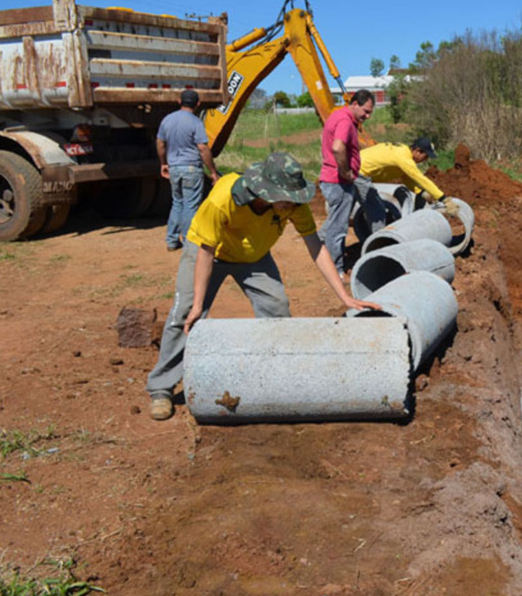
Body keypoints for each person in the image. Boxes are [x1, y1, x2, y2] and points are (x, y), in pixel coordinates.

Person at [145, 151, 379, 421]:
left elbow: (315, 246)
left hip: (254, 257)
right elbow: (206, 251)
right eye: (286, 198)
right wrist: (198, 303)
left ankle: (275, 377)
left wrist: (344, 296)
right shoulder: (224, 199)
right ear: (266, 191)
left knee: (277, 309)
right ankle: (161, 388)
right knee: (186, 313)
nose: (292, 204)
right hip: (210, 253)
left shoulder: (293, 204)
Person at [318, 90, 376, 279]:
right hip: (338, 181)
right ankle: (335, 269)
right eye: (366, 111)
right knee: (338, 228)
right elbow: (337, 147)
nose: (367, 116)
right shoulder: (345, 121)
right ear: (355, 104)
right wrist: (345, 172)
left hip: (333, 179)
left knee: (335, 222)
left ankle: (319, 248)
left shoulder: (339, 116)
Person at [156, 88, 220, 251]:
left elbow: (160, 143)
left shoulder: (167, 120)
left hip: (174, 168)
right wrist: (213, 171)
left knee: (177, 203)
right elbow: (203, 148)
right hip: (191, 168)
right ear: (198, 104)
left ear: (179, 101)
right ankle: (188, 241)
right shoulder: (196, 122)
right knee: (190, 205)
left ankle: (171, 240)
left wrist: (163, 163)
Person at [356, 137, 447, 230]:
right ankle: (381, 238)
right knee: (377, 209)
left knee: (348, 204)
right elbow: (420, 179)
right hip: (359, 173)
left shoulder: (402, 151)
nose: (425, 160)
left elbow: (406, 178)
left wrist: (420, 192)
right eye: (426, 156)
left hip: (352, 166)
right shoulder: (404, 159)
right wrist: (443, 198)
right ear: (417, 151)